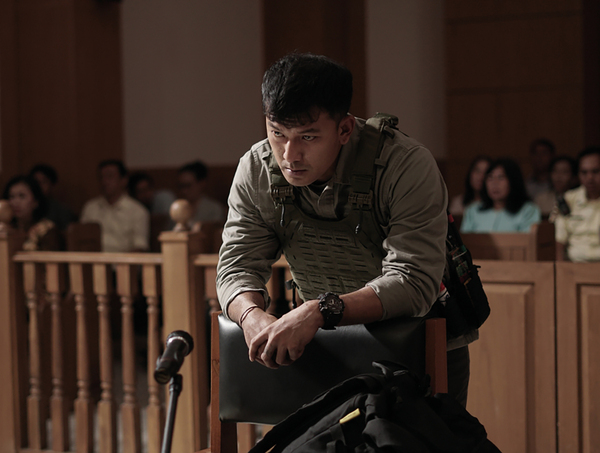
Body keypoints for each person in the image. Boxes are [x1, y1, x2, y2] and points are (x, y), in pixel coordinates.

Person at [216, 54, 472, 405]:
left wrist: (319, 310)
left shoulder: (405, 165)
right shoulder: (257, 169)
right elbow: (236, 267)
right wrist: (250, 316)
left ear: (345, 129)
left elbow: (413, 282)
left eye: (308, 137)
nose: (289, 155)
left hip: (418, 345)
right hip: (319, 343)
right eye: (277, 134)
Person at [80, 160, 150, 252]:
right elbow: (81, 241)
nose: (104, 182)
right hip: (93, 258)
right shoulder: (90, 207)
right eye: (101, 177)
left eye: (110, 176)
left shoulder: (138, 211)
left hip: (123, 259)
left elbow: (140, 247)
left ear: (124, 180)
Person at [461, 158, 541, 233]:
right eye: (490, 177)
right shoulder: (473, 210)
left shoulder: (528, 211)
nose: (494, 183)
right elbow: (464, 240)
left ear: (513, 180)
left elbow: (529, 241)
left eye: (501, 177)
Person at [555, 147, 600, 262]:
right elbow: (559, 241)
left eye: (595, 171)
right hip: (574, 267)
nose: (590, 178)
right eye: (584, 172)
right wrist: (561, 270)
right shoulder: (568, 199)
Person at [3, 175, 60, 251]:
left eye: (22, 196)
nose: (15, 202)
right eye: (11, 197)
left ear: (36, 201)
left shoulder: (46, 229)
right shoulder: (5, 228)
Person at [29, 164, 77, 230]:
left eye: (43, 182)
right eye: (36, 182)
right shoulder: (24, 207)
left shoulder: (61, 210)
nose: (39, 186)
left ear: (52, 185)